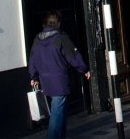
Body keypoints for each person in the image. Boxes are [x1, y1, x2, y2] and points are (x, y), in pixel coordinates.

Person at [29, 11, 90, 139]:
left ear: (45, 23)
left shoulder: (37, 40)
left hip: (45, 80)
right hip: (59, 80)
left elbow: (32, 60)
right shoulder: (61, 38)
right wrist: (84, 69)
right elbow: (73, 56)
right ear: (58, 23)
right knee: (57, 113)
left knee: (60, 112)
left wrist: (33, 76)